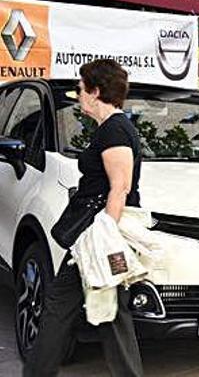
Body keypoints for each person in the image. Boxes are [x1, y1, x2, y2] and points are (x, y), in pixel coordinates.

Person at [25, 59, 144, 376]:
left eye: (80, 89)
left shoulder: (116, 130)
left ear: (96, 91)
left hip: (99, 235)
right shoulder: (110, 129)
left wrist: (103, 236)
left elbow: (120, 188)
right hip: (95, 234)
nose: (78, 95)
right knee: (100, 310)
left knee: (73, 305)